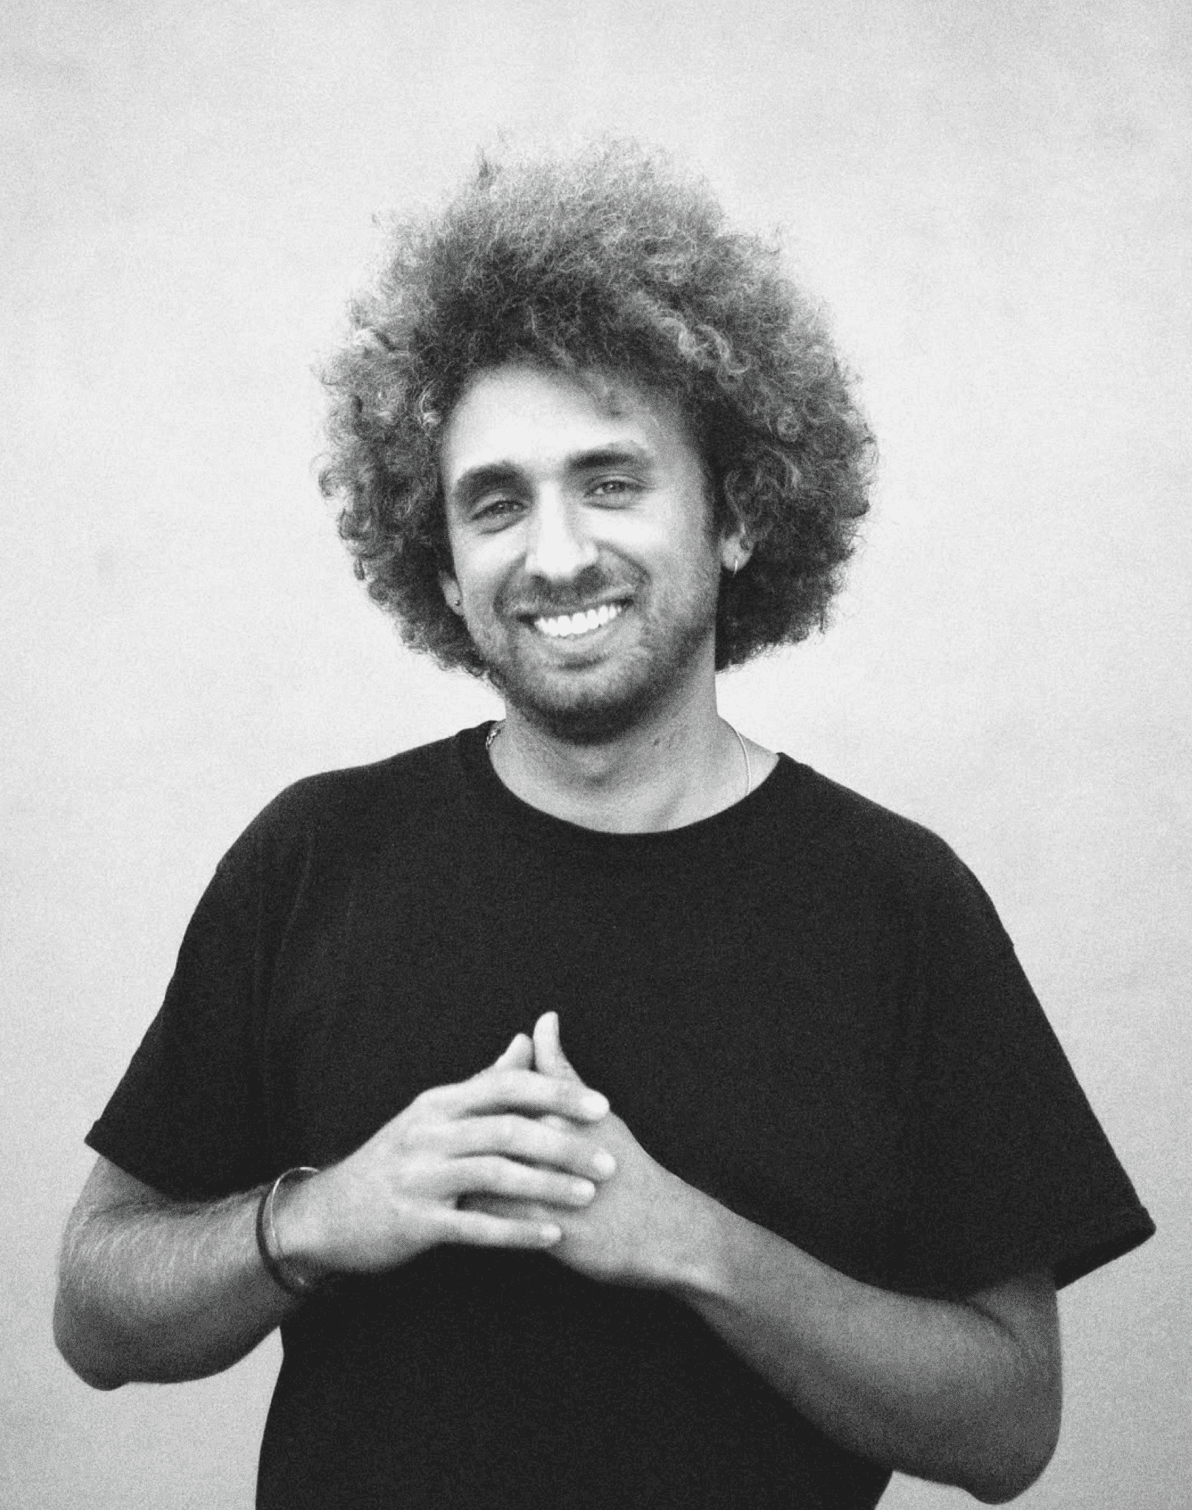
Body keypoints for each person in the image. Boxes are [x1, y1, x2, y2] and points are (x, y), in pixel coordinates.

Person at [55, 143, 1154, 1510]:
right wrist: (322, 1214)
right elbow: (95, 1303)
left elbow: (1008, 1423)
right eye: (497, 502)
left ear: (738, 514)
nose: (558, 551)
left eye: (612, 479)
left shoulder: (896, 903)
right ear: (444, 568)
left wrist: (696, 1245)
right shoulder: (315, 859)